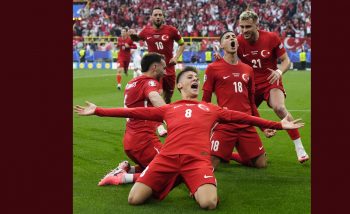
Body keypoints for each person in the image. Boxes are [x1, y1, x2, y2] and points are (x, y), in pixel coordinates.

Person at [74, 67, 304, 210]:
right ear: (180, 85)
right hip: (166, 159)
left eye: (198, 77)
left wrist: (278, 124)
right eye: (190, 77)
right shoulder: (169, 109)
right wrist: (98, 110)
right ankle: (181, 179)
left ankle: (192, 181)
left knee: (209, 203)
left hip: (197, 161)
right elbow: (133, 111)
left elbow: (244, 118)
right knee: (134, 199)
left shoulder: (211, 108)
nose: (196, 79)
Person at [215, 11, 309, 163]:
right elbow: (230, 58)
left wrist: (279, 71)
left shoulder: (271, 38)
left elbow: (286, 61)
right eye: (242, 27)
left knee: (279, 108)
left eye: (248, 27)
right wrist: (220, 59)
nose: (244, 31)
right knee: (236, 117)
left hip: (270, 80)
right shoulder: (238, 40)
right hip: (250, 83)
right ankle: (222, 151)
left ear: (257, 26)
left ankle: (299, 147)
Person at [203, 31, 275, 169]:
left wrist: (263, 128)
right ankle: (223, 152)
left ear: (237, 43)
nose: (232, 38)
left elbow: (252, 103)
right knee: (210, 166)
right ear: (222, 45)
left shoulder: (248, 69)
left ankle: (229, 154)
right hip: (225, 124)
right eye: (227, 37)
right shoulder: (212, 68)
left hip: (246, 123)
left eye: (233, 37)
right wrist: (208, 127)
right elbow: (205, 101)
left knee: (261, 164)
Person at [103, 53, 168, 185]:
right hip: (144, 141)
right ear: (155, 67)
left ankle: (128, 169)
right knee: (169, 170)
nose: (166, 72)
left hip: (131, 140)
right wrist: (174, 115)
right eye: (164, 68)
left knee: (151, 166)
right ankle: (123, 177)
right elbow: (154, 96)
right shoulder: (150, 82)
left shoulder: (132, 83)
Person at [128, 7, 185, 103]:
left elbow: (182, 44)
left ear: (163, 17)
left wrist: (176, 57)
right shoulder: (146, 31)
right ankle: (154, 116)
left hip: (169, 68)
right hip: (154, 70)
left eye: (160, 15)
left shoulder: (171, 30)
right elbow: (137, 39)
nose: (158, 17)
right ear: (151, 17)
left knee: (168, 98)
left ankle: (165, 115)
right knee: (156, 94)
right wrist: (133, 36)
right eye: (155, 15)